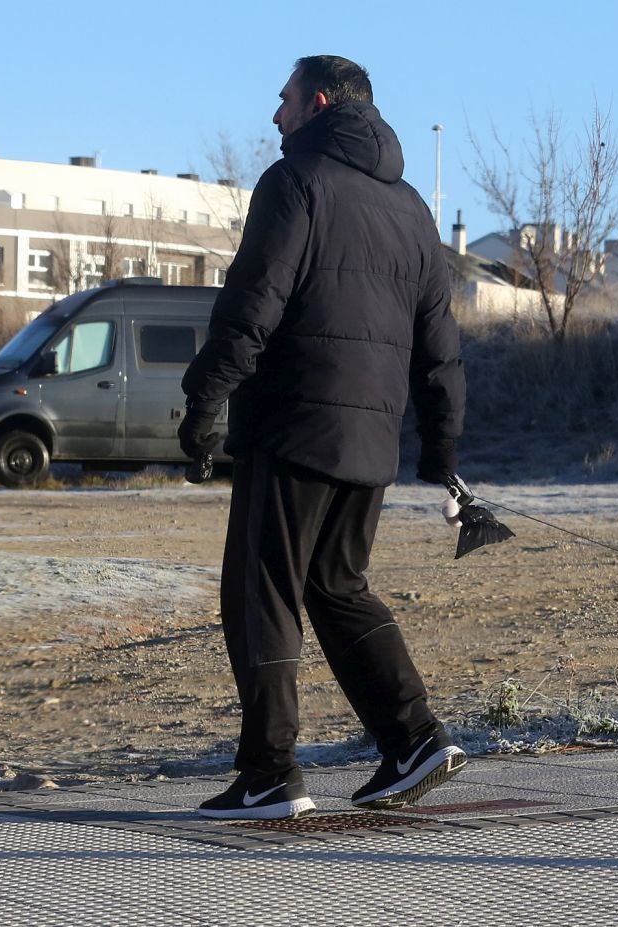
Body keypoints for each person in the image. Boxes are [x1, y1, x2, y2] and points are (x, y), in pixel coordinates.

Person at [179, 55, 466, 820]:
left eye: (281, 102)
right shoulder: (411, 207)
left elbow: (253, 305)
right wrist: (441, 449)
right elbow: (440, 343)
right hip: (371, 443)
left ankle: (271, 772)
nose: (273, 118)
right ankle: (413, 738)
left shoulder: (296, 181)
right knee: (337, 585)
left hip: (294, 426)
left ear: (316, 102)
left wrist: (205, 398)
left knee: (261, 588)